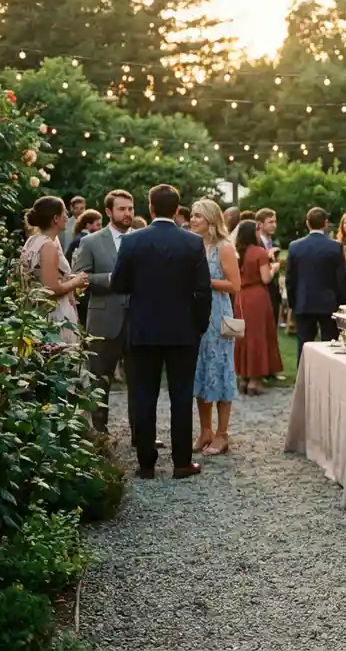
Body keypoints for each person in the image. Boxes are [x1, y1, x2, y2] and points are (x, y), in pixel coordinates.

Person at [110, 184, 211, 480]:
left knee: (144, 396)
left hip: (143, 328)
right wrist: (200, 326)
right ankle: (181, 462)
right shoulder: (192, 243)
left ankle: (146, 464)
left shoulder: (132, 242)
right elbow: (203, 291)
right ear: (178, 210)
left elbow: (118, 284)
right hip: (183, 331)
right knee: (181, 396)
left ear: (151, 208)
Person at [75, 190, 149, 442]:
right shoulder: (91, 242)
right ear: (108, 212)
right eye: (122, 209)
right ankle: (99, 433)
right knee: (99, 379)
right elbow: (80, 278)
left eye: (130, 208)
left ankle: (141, 434)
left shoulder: (143, 238)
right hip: (104, 320)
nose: (128, 213)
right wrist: (110, 279)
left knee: (140, 381)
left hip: (139, 319)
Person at [190, 200, 241, 455]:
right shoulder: (193, 245)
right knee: (199, 371)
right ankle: (205, 431)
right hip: (195, 317)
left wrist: (204, 281)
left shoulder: (224, 247)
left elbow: (235, 285)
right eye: (192, 215)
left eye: (198, 215)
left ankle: (222, 434)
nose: (193, 219)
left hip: (218, 316)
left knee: (220, 370)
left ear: (210, 219)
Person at [21, 196, 88, 344]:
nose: (67, 216)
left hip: (36, 312)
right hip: (54, 315)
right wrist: (76, 281)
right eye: (64, 212)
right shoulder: (48, 246)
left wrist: (69, 279)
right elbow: (51, 289)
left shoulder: (32, 241)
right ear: (56, 218)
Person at [286, 207, 346, 357]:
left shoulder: (295, 246)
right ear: (325, 223)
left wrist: (293, 302)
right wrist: (340, 302)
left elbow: (290, 279)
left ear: (307, 223)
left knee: (304, 345)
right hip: (328, 302)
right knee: (330, 344)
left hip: (304, 301)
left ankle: (304, 378)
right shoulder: (335, 246)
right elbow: (341, 278)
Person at [233, 220, 283, 394]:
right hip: (256, 296)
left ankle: (243, 378)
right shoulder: (259, 252)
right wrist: (274, 268)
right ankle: (255, 380)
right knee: (258, 336)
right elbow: (266, 279)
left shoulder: (236, 253)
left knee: (242, 335)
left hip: (240, 297)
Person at [65, 209, 102, 330]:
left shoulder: (77, 239)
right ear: (88, 225)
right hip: (82, 285)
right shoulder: (86, 241)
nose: (101, 228)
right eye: (98, 225)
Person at [255, 208, 282, 325]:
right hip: (258, 292)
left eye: (275, 222)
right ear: (260, 225)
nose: (274, 225)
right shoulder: (255, 243)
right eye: (270, 222)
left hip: (273, 291)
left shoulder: (275, 244)